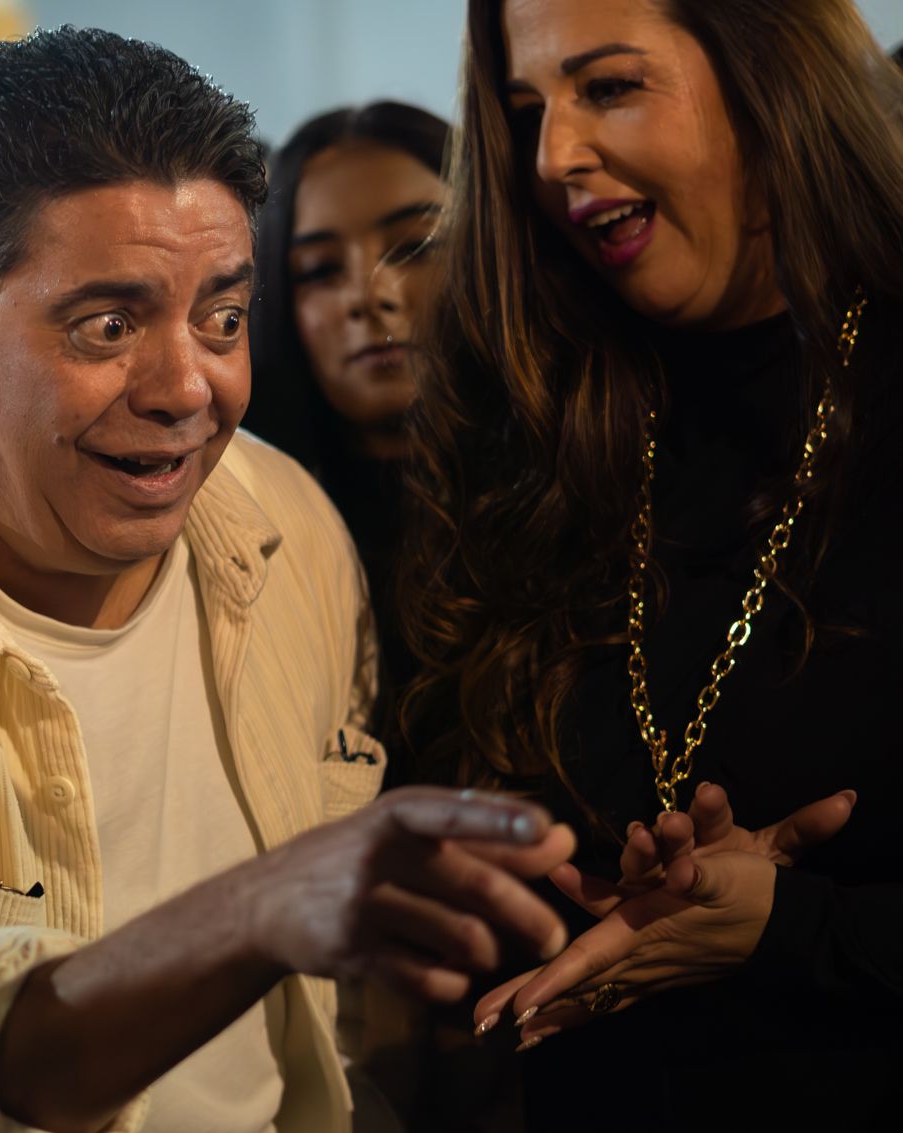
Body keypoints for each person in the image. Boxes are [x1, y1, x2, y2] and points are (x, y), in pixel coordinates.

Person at [0, 27, 576, 1133]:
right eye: (108, 325)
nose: (186, 387)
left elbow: (338, 1029)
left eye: (223, 318)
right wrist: (254, 911)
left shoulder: (280, 520)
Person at [400, 1, 903, 1129]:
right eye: (523, 111)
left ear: (769, 76)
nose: (551, 156)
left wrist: (796, 927)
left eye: (609, 87)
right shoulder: (528, 426)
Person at [248, 101, 451, 736]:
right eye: (321, 270)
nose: (369, 294)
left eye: (415, 246)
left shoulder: (598, 498)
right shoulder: (256, 539)